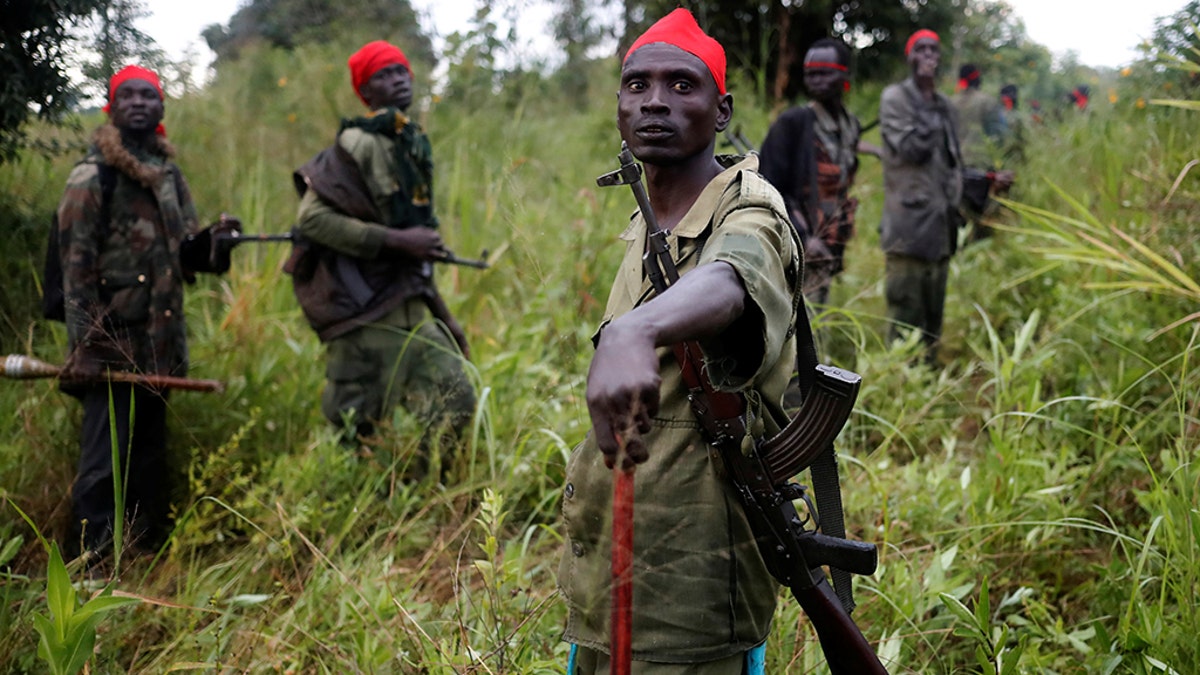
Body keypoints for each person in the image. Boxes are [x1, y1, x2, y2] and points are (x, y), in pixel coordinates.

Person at [558, 9, 802, 673]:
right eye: (637, 85)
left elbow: (734, 275)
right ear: (618, 105)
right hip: (612, 567)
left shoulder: (749, 207)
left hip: (694, 583)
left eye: (681, 86)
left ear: (721, 111)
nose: (655, 101)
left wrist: (637, 328)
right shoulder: (649, 219)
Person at [56, 65, 240, 560]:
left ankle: (144, 553)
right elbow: (74, 270)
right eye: (128, 95)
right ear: (111, 108)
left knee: (148, 454)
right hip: (111, 343)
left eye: (150, 95)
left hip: (158, 343)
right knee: (104, 459)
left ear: (161, 109)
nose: (139, 102)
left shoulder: (167, 175)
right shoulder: (91, 177)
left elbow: (185, 254)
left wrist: (217, 243)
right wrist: (87, 346)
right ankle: (91, 565)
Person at [290, 40, 475, 467]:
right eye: (383, 75)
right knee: (354, 431)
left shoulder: (407, 141)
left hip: (406, 303)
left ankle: (423, 492)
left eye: (401, 71)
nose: (397, 80)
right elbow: (312, 220)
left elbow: (413, 241)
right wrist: (399, 241)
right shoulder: (359, 141)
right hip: (362, 309)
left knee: (456, 399)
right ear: (365, 91)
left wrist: (445, 317)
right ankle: (362, 508)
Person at [878, 29, 964, 365]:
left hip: (941, 229)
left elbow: (951, 162)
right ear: (909, 57)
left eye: (934, 50)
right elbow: (912, 149)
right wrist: (927, 96)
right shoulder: (896, 98)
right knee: (905, 314)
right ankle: (902, 381)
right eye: (921, 49)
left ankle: (928, 377)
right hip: (909, 229)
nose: (928, 55)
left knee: (933, 313)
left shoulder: (945, 105)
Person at [759, 37, 864, 308]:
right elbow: (768, 189)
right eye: (811, 74)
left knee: (820, 314)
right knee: (798, 322)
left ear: (844, 76)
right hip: (797, 245)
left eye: (825, 73)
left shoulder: (850, 125)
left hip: (830, 241)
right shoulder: (792, 123)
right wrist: (804, 239)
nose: (816, 80)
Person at [952, 64, 1014, 241]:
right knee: (982, 217)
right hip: (980, 166)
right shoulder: (988, 102)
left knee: (958, 214)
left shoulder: (950, 102)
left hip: (953, 167)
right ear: (977, 79)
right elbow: (1000, 135)